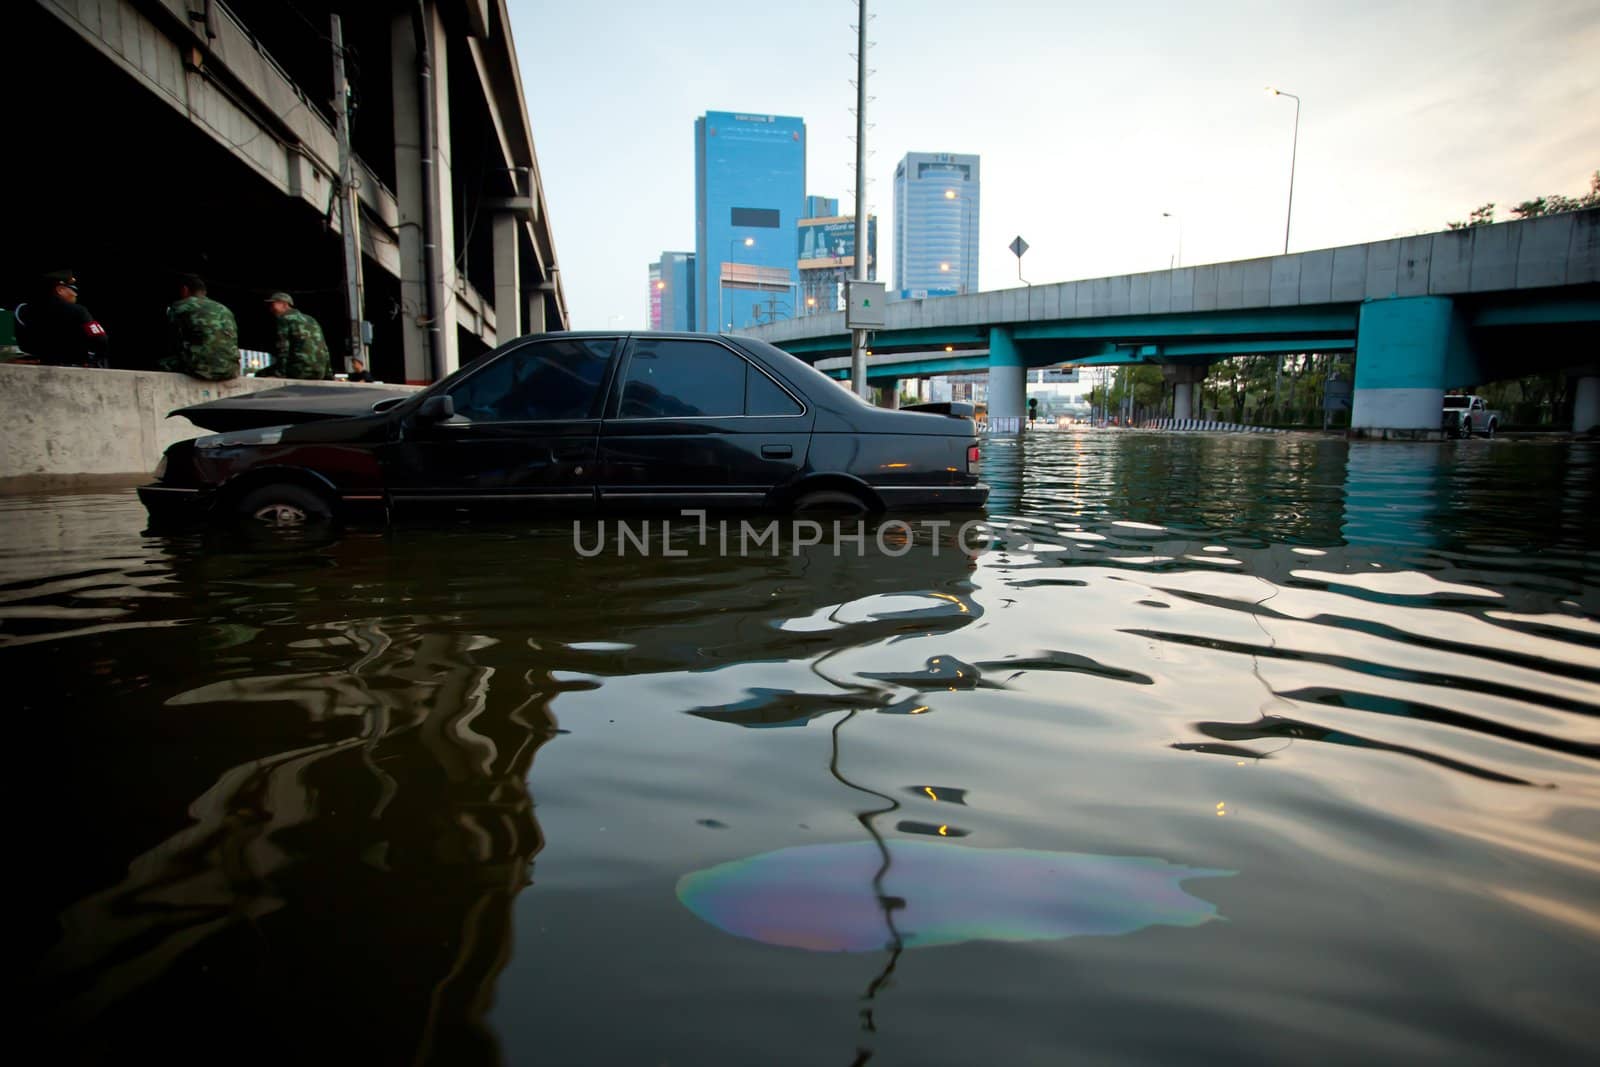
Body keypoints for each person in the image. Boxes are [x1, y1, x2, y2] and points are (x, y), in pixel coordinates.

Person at [12, 269, 109, 367]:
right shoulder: (78, 311)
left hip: (39, 367)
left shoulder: (23, 310)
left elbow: (23, 344)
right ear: (60, 290)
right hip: (74, 369)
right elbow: (101, 340)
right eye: (73, 289)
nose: (75, 294)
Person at [161, 273, 239, 380]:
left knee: (161, 364)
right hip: (231, 370)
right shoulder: (225, 309)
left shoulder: (181, 306)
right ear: (204, 292)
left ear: (185, 290)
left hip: (201, 369)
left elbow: (171, 340)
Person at [258, 291, 330, 379]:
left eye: (273, 305)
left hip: (300, 370)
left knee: (260, 374)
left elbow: (283, 349)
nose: (271, 309)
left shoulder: (284, 319)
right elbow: (324, 349)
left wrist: (280, 373)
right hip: (319, 372)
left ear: (284, 304)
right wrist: (328, 375)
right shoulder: (311, 320)